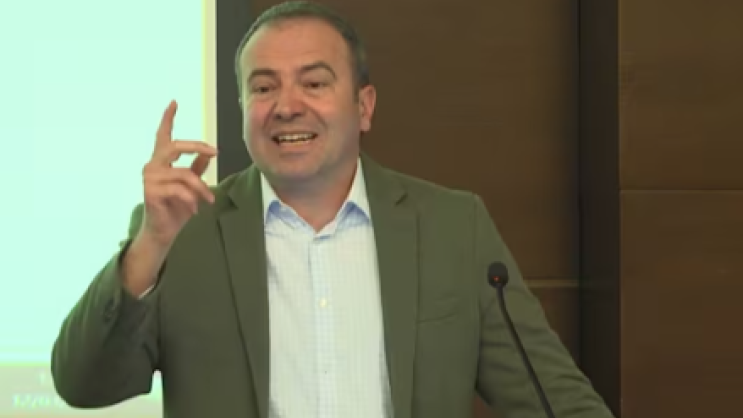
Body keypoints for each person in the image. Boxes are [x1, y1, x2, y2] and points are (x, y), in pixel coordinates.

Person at [51, 1, 615, 417]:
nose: (286, 106)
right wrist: (148, 247)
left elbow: (556, 401)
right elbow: (83, 385)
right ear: (243, 109)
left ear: (363, 106)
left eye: (314, 83)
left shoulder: (451, 228)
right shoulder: (182, 232)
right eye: (263, 88)